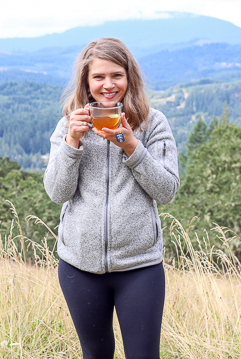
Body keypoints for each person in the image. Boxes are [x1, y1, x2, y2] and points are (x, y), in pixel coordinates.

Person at [43, 37, 180, 359]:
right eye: (99, 77)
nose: (108, 85)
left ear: (129, 77)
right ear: (86, 83)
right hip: (79, 265)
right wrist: (72, 143)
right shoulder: (68, 125)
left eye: (116, 75)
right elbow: (57, 193)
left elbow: (167, 191)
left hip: (139, 265)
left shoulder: (152, 123)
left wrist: (133, 147)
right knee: (96, 354)